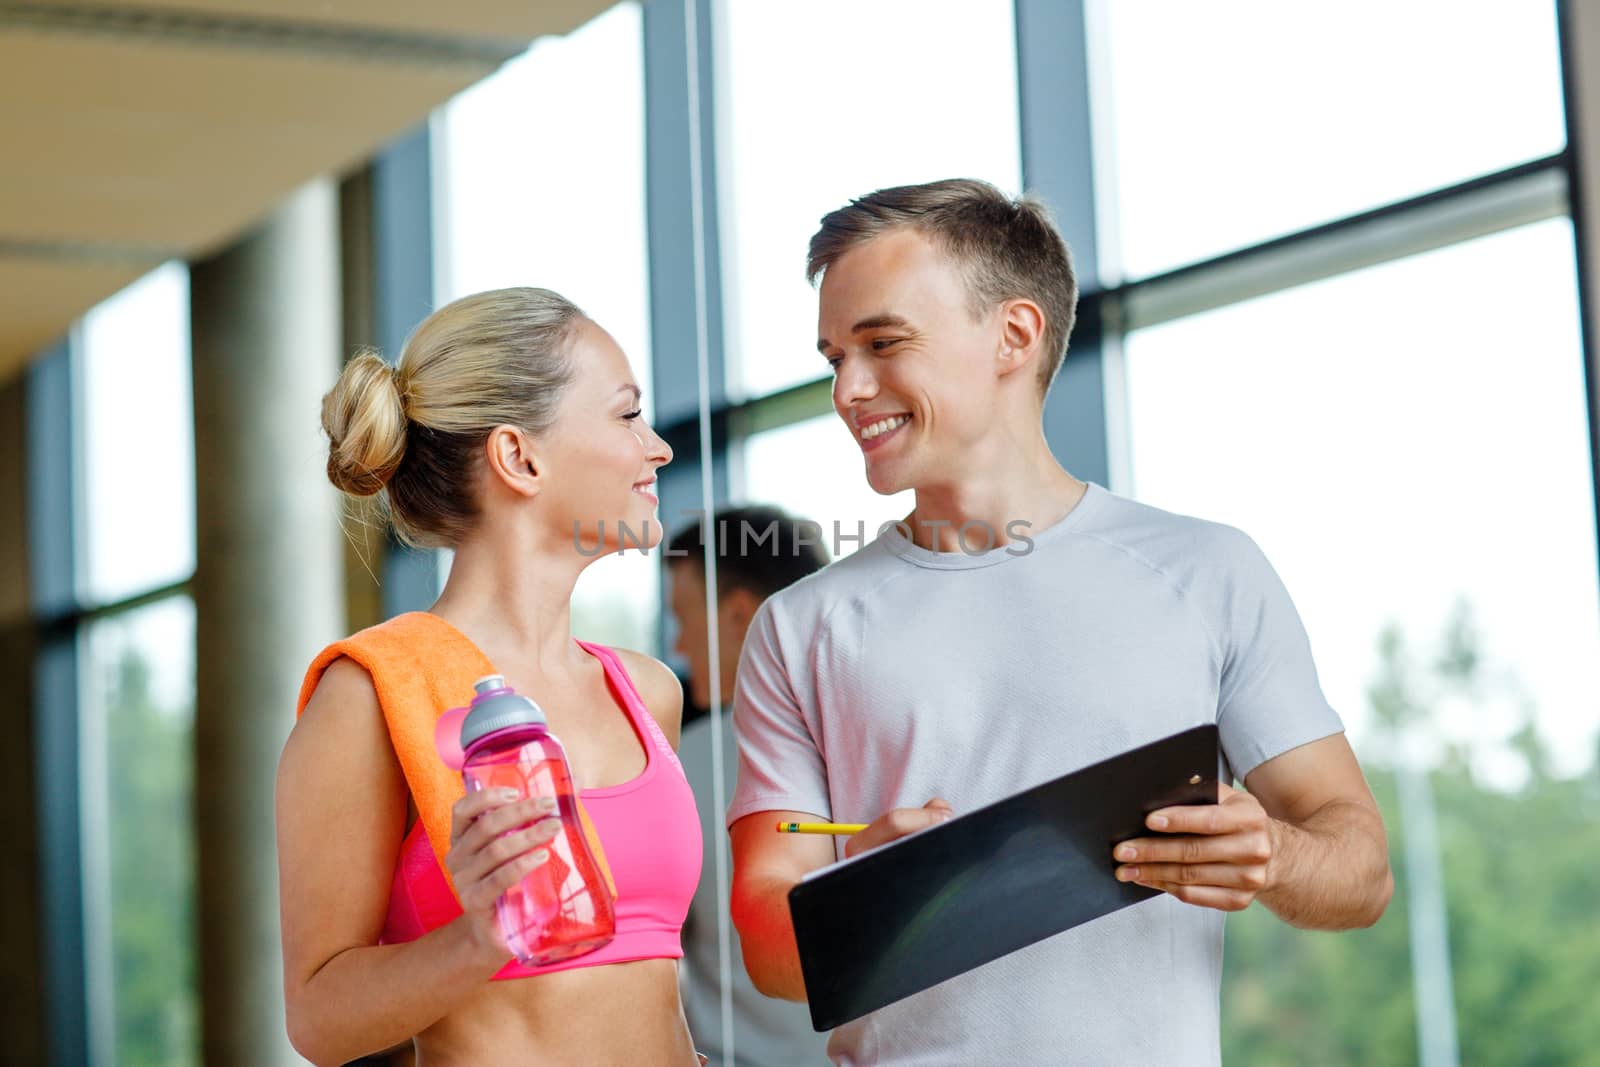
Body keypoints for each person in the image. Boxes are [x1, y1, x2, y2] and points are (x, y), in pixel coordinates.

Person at [726, 180, 1395, 1065]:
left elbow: (1361, 867)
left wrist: (1269, 850)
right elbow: (768, 956)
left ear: (1014, 334)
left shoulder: (1207, 572)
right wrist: (865, 893)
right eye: (833, 356)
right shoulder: (798, 627)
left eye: (882, 343)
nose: (849, 389)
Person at [278, 287, 708, 1066]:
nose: (659, 448)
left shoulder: (645, 691)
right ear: (520, 456)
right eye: (625, 415)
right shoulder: (371, 695)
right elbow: (317, 1017)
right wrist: (480, 936)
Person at [665, 506, 832, 1067]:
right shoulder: (881, 734)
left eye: (682, 619)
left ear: (739, 615)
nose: (681, 647)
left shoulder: (686, 759)